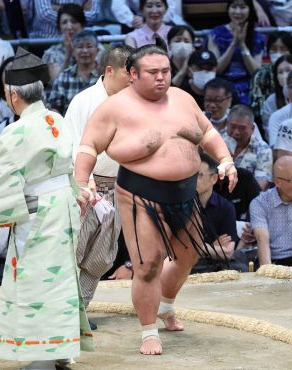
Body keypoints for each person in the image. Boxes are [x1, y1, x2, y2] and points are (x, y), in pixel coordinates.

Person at [74, 41, 237, 355]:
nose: (161, 78)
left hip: (186, 193)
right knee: (148, 264)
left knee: (187, 256)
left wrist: (226, 160)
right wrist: (82, 182)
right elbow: (88, 146)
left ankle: (165, 305)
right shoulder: (114, 107)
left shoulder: (183, 98)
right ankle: (149, 330)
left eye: (166, 71)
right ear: (133, 74)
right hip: (140, 195)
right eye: (153, 72)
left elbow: (208, 133)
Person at [0, 47, 94, 368]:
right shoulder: (59, 120)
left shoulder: (14, 132)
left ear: (12, 96)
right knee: (61, 278)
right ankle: (62, 348)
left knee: (37, 281)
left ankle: (41, 355)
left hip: (38, 217)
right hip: (64, 210)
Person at [65, 45, 134, 320]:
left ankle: (79, 310)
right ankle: (63, 312)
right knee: (74, 250)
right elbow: (72, 144)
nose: (133, 79)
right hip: (85, 186)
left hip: (117, 187)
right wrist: (86, 183)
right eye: (129, 73)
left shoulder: (133, 103)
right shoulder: (85, 101)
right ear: (110, 71)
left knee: (102, 255)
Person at [208, 0, 264, 106]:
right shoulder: (216, 33)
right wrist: (233, 44)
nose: (238, 12)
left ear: (249, 9)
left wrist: (242, 45)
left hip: (249, 88)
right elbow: (217, 69)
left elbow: (256, 72)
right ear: (228, 9)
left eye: (243, 7)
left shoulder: (257, 36)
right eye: (234, 7)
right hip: (222, 87)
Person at [191, 152, 239, 273]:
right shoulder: (180, 204)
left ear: (214, 178)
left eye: (199, 175)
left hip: (215, 268)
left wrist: (198, 247)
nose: (192, 180)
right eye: (191, 174)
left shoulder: (225, 207)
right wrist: (213, 247)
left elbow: (227, 252)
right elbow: (177, 247)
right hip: (187, 267)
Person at [250, 156, 292, 267]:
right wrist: (268, 273)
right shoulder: (260, 203)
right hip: (276, 260)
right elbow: (262, 239)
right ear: (278, 182)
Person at [48, 30, 99, 116]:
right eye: (80, 47)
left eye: (89, 46)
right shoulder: (63, 77)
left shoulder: (105, 74)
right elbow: (54, 107)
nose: (85, 51)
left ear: (97, 50)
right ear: (73, 51)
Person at [222, 105, 272, 190]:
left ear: (252, 129)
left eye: (242, 128)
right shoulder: (218, 141)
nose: (236, 132)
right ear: (227, 124)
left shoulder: (263, 150)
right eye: (233, 126)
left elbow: (260, 186)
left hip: (248, 198)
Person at [250, 31, 292, 126]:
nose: (278, 53)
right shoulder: (271, 101)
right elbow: (258, 110)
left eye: (283, 49)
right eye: (273, 49)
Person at [261, 55, 292, 138]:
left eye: (288, 70)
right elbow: (269, 133)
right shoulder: (271, 101)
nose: (285, 75)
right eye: (280, 72)